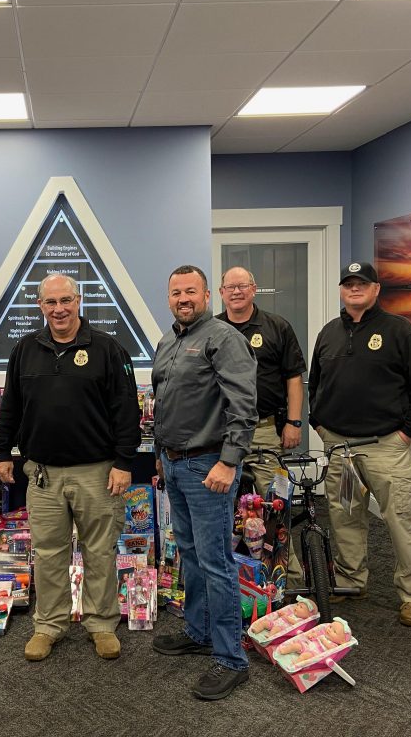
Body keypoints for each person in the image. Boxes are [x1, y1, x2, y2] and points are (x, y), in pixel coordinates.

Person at [0, 273, 140, 663]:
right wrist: (3, 451)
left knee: (100, 551)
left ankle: (101, 624)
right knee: (48, 553)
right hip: (43, 473)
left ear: (78, 301)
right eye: (50, 302)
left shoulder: (108, 349)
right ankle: (48, 626)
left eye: (65, 301)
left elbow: (127, 410)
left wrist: (124, 462)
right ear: (40, 306)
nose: (59, 309)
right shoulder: (24, 350)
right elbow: (11, 405)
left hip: (97, 472)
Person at [309, 262, 411, 628]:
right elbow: (315, 382)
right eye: (348, 284)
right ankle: (352, 581)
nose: (354, 289)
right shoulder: (329, 332)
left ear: (376, 289)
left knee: (399, 519)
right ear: (341, 289)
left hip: (386, 447)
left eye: (362, 283)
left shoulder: (401, 332)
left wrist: (408, 432)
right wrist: (318, 423)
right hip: (340, 448)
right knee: (346, 516)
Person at [150, 265, 258, 701]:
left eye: (191, 291)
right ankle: (199, 631)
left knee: (216, 561)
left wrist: (230, 462)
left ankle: (232, 659)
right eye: (176, 292)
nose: (183, 298)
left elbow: (243, 405)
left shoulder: (223, 339)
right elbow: (163, 403)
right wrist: (161, 458)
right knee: (190, 554)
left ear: (207, 295)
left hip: (209, 467)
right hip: (174, 464)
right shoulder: (168, 341)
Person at [216, 266, 307, 581]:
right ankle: (230, 576)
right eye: (230, 287)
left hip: (265, 430)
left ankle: (288, 576)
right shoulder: (212, 329)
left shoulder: (277, 327)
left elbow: (294, 378)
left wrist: (294, 422)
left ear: (254, 289)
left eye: (242, 286)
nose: (236, 292)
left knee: (274, 505)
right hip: (222, 433)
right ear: (221, 293)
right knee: (223, 507)